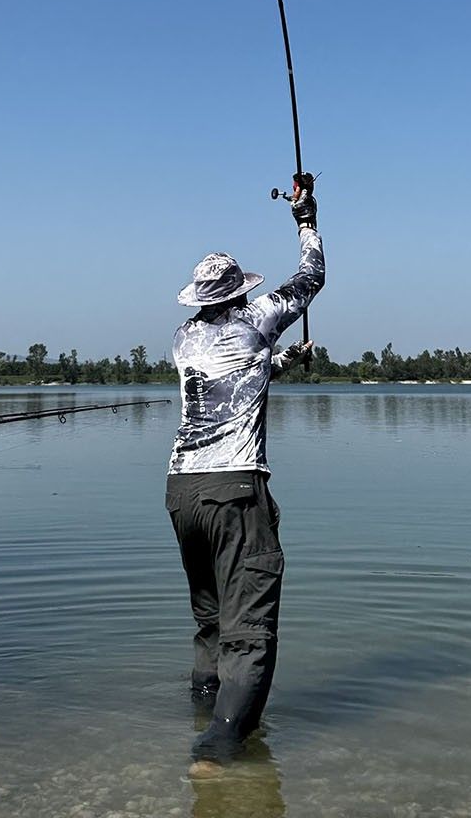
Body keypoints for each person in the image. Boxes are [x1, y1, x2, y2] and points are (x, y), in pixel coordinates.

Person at [165, 173, 324, 772]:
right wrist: (306, 218)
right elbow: (311, 281)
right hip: (236, 489)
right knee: (249, 627)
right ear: (238, 296)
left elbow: (231, 378)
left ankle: (205, 711)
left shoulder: (184, 338)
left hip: (182, 492)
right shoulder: (254, 319)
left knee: (209, 620)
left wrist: (279, 361)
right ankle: (221, 746)